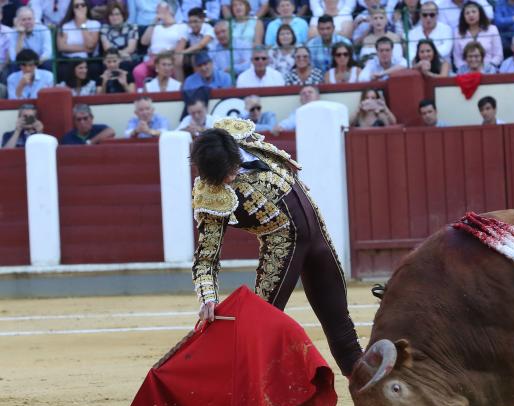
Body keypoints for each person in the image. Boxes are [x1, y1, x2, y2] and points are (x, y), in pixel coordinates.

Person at [189, 118, 363, 379]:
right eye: (223, 177)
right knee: (258, 332)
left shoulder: (242, 138)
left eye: (230, 170)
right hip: (282, 252)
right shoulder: (211, 194)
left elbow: (287, 164)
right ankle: (249, 401)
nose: (230, 178)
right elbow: (206, 259)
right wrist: (208, 297)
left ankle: (379, 400)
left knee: (340, 326)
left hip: (318, 237)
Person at [134, 2, 187, 88]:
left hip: (169, 58)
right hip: (151, 60)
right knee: (138, 71)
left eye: (159, 9)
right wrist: (154, 21)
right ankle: (142, 95)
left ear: (168, 10)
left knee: (167, 64)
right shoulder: (156, 26)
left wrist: (164, 53)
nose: (156, 12)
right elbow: (144, 42)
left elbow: (179, 48)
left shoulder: (181, 26)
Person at [452, 1, 503, 71]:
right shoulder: (458, 32)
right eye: (467, 13)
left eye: (474, 12)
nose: (471, 15)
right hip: (466, 71)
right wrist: (466, 69)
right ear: (463, 16)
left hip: (489, 70)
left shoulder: (492, 29)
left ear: (480, 13)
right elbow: (457, 58)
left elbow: (498, 55)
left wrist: (487, 67)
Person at [99, 1, 138, 67]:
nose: (114, 17)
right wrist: (121, 56)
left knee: (126, 64)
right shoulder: (104, 28)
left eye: (117, 14)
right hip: (112, 59)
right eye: (111, 15)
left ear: (123, 15)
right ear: (108, 17)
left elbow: (131, 48)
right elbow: (107, 48)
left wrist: (119, 57)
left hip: (129, 58)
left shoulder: (132, 27)